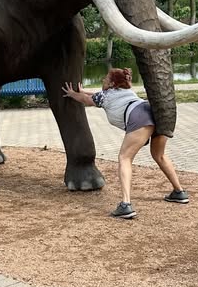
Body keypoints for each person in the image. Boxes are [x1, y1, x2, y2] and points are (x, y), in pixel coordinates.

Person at [62, 68, 189, 219]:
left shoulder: (105, 96)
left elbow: (85, 100)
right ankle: (179, 192)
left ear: (112, 84)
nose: (103, 80)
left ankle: (125, 205)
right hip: (156, 114)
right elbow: (96, 94)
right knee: (159, 155)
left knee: (124, 158)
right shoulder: (126, 91)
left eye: (105, 78)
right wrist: (84, 91)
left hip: (139, 118)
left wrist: (72, 94)